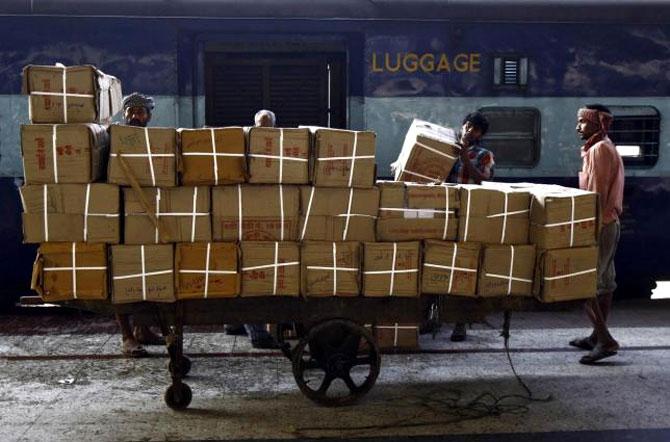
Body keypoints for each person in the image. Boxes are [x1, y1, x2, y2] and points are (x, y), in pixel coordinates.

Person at [570, 104, 623, 364]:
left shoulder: (600, 150)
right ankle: (595, 336)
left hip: (600, 224)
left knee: (585, 285)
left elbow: (598, 193)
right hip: (607, 223)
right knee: (605, 283)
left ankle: (605, 340)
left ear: (595, 123)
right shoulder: (601, 146)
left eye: (582, 121)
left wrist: (587, 227)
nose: (578, 126)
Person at [223, 109, 279, 349]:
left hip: (261, 215)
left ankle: (234, 321)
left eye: (268, 126)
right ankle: (255, 331)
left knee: (247, 270)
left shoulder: (278, 149)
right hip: (248, 216)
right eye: (260, 125)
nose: (264, 130)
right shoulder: (246, 148)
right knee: (251, 271)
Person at [117, 92, 166, 357]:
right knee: (121, 278)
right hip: (120, 217)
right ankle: (127, 336)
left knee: (148, 275)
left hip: (148, 215)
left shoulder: (155, 141)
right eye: (132, 111)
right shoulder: (114, 140)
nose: (136, 116)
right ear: (125, 114)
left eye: (142, 112)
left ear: (149, 115)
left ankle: (143, 330)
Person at [447, 111, 495, 342]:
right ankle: (431, 319)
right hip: (448, 214)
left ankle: (460, 323)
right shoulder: (448, 148)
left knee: (465, 269)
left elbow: (484, 181)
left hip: (470, 218)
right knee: (441, 264)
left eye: (476, 129)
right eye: (468, 126)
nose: (470, 130)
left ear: (481, 134)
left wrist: (465, 156)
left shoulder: (484, 155)